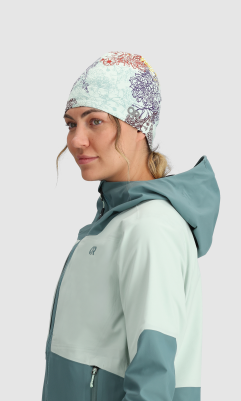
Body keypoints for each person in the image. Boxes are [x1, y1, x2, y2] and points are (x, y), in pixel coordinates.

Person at [42, 51, 220, 401]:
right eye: (71, 124)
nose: (77, 140)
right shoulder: (114, 222)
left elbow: (152, 384)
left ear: (140, 127)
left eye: (95, 121)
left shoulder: (150, 228)